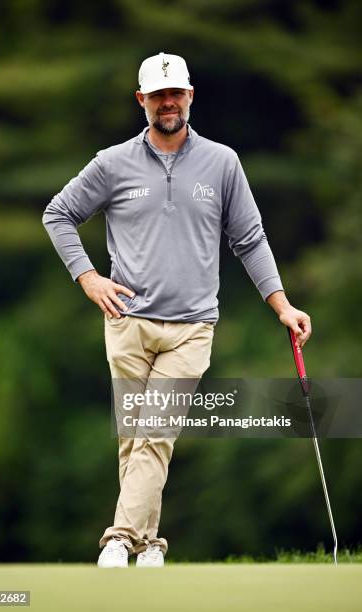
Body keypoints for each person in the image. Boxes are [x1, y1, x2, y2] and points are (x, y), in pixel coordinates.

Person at [42, 52, 312, 568]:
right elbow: (59, 214)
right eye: (158, 95)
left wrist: (281, 304)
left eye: (177, 93)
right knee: (137, 439)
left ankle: (119, 539)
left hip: (192, 326)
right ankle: (149, 547)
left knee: (156, 431)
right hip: (127, 322)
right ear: (141, 100)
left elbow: (250, 239)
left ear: (190, 96)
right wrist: (88, 277)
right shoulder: (111, 163)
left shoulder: (223, 162)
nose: (169, 103)